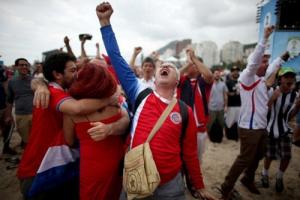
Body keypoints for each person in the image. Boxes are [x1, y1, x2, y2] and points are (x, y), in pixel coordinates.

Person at [96, 2, 216, 200]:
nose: (165, 66)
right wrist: (105, 22)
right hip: (136, 177)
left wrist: (199, 185)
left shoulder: (184, 112)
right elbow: (116, 58)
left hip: (170, 186)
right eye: (163, 65)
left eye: (170, 66)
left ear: (178, 81)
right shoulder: (139, 93)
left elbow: (190, 154)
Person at [17, 52, 127, 200]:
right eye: (73, 70)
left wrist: (38, 83)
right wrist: (109, 99)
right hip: (39, 168)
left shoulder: (63, 91)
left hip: (57, 165)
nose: (77, 75)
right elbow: (78, 109)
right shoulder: (53, 92)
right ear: (57, 75)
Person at [220, 26, 290, 199]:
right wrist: (264, 39)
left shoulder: (260, 79)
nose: (266, 63)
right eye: (263, 60)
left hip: (261, 127)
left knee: (258, 156)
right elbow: (254, 62)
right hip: (248, 128)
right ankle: (226, 186)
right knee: (244, 158)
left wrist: (287, 53)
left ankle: (248, 179)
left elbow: (274, 66)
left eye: (267, 60)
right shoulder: (247, 76)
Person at [64, 62, 129, 200]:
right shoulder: (115, 105)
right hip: (117, 160)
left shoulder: (71, 112)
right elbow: (127, 121)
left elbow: (69, 141)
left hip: (92, 166)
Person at [261, 67, 300, 193]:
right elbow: (262, 112)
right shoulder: (271, 91)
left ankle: (279, 177)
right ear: (280, 79)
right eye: (286, 77)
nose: (290, 79)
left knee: (286, 156)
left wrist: (298, 106)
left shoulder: (295, 95)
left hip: (284, 129)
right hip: (269, 128)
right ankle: (265, 174)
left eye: (291, 77)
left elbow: (290, 116)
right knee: (269, 155)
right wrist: (272, 99)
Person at [177, 48, 213, 162]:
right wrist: (189, 63)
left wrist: (194, 59)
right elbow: (175, 75)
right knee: (182, 159)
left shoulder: (202, 82)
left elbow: (209, 75)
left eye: (193, 65)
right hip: (184, 127)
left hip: (200, 130)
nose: (188, 65)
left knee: (196, 161)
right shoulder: (182, 81)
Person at [7, 58, 34, 148]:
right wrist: (9, 115)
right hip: (20, 115)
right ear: (16, 67)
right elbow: (10, 100)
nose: (24, 67)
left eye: (26, 65)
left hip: (35, 113)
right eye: (21, 65)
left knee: (35, 139)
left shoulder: (34, 81)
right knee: (25, 138)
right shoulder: (11, 82)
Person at [206, 69, 227, 143]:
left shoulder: (223, 84)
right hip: (211, 108)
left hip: (220, 108)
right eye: (216, 73)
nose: (217, 75)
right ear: (213, 75)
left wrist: (226, 106)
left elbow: (225, 95)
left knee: (221, 123)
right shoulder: (209, 84)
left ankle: (220, 136)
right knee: (210, 124)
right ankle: (208, 136)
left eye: (218, 74)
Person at [0, 64, 16, 155]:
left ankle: (6, 148)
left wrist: (8, 110)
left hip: (2, 106)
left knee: (8, 126)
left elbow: (6, 86)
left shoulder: (1, 70)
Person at [225, 66, 241, 141]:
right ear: (231, 72)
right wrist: (233, 93)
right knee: (229, 122)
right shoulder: (228, 82)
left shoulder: (241, 82)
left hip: (240, 105)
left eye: (237, 71)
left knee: (239, 123)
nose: (235, 72)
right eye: (233, 71)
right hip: (231, 105)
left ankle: (237, 137)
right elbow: (225, 93)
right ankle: (230, 137)